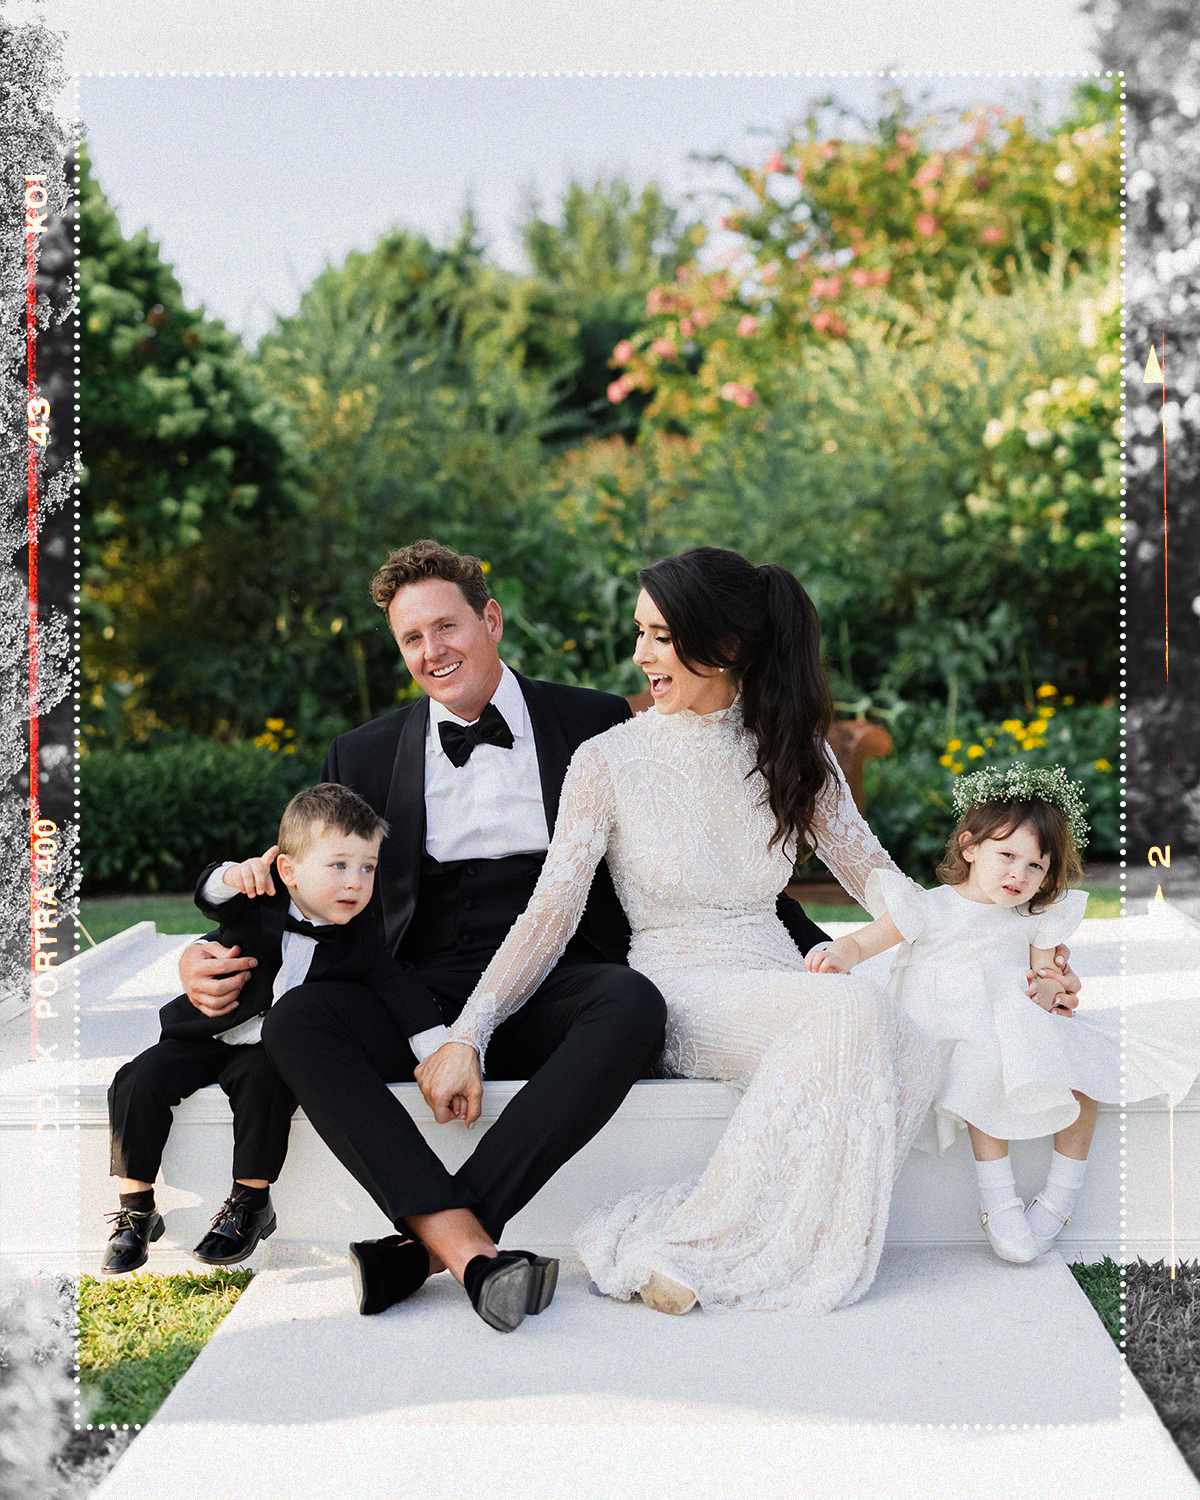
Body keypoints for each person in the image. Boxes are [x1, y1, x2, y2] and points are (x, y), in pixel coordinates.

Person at [178, 540, 834, 1332]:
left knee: (633, 1004)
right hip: (416, 989)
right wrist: (206, 956)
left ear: (489, 619)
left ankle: (430, 1249)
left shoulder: (596, 721)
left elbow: (712, 856)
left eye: (446, 627)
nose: (432, 651)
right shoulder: (361, 752)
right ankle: (472, 1253)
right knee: (297, 1023)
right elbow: (312, 882)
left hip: (558, 981)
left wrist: (815, 946)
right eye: (411, 639)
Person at [439, 546, 1081, 1315]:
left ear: (727, 646)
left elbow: (879, 879)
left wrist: (1012, 945)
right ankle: (689, 1253)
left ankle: (699, 1233)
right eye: (639, 633)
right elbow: (549, 915)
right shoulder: (606, 760)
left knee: (905, 1038)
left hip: (778, 977)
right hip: (682, 987)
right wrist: (468, 1031)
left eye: (660, 636)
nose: (640, 655)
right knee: (856, 1010)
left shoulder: (791, 752)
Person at [808, 763, 1194, 1263]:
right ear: (970, 847)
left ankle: (1060, 1196)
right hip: (948, 1021)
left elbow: (1045, 976)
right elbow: (868, 940)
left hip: (1011, 1022)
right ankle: (998, 1197)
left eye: (1035, 866)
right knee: (984, 1063)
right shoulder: (930, 905)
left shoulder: (1034, 918)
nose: (1019, 874)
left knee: (1086, 1069)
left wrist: (1055, 987)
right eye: (1007, 855)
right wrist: (842, 954)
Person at [104, 783, 423, 1275]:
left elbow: (399, 991)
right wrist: (236, 874)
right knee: (138, 1079)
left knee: (264, 1086)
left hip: (270, 1050)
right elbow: (210, 892)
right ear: (289, 870)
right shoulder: (259, 898)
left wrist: (439, 1046)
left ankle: (250, 1201)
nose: (355, 882)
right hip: (209, 1033)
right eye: (338, 865)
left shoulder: (363, 938)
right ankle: (137, 1207)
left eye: (367, 867)